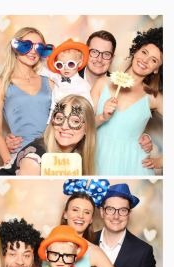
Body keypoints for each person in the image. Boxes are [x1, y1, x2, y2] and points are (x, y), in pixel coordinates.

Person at [93, 27, 163, 175]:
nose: (145, 60)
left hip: (133, 165)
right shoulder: (102, 83)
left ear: (156, 69)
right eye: (144, 52)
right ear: (136, 50)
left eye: (154, 60)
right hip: (97, 159)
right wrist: (102, 117)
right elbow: (82, 127)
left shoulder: (153, 97)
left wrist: (162, 161)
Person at [0, 27, 53, 171]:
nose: (33, 51)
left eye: (38, 47)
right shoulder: (2, 84)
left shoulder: (50, 81)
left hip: (50, 153)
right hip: (19, 155)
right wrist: (9, 164)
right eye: (27, 45)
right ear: (15, 47)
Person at [15, 95, 96, 175]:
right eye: (59, 118)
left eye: (75, 121)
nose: (64, 127)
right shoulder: (33, 160)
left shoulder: (77, 156)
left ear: (87, 128)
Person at [46, 39, 92, 108]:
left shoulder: (83, 85)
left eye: (70, 64)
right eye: (60, 65)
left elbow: (89, 106)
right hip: (54, 113)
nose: (65, 68)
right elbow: (43, 71)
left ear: (79, 63)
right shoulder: (57, 78)